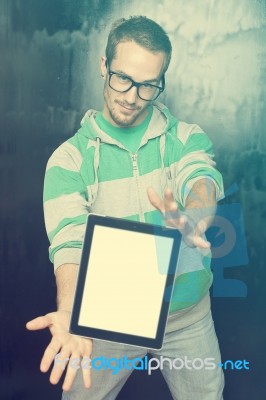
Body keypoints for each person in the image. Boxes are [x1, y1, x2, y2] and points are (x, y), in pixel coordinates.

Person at [26, 16, 225, 400]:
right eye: (123, 78)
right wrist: (69, 310)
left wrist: (196, 216)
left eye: (148, 84)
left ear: (161, 81)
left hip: (187, 318)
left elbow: (200, 179)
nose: (133, 95)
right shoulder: (68, 160)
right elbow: (69, 242)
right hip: (103, 322)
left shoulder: (186, 137)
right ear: (104, 66)